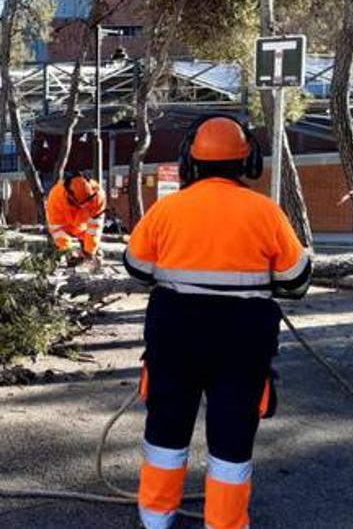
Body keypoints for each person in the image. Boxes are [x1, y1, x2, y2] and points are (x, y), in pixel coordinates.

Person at [123, 114, 311, 529]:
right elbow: (297, 280)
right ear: (247, 161)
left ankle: (155, 517)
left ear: (189, 159)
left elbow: (137, 267)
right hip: (243, 340)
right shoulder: (266, 212)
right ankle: (224, 522)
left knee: (166, 426)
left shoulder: (167, 209)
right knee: (232, 435)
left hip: (174, 333)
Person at [46, 171, 106, 266]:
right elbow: (56, 228)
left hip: (84, 230)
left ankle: (94, 258)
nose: (86, 205)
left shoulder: (98, 196)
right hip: (65, 228)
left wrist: (90, 251)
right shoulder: (55, 198)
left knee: (94, 255)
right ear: (70, 196)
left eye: (88, 201)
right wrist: (67, 249)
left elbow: (95, 227)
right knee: (66, 256)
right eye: (83, 204)